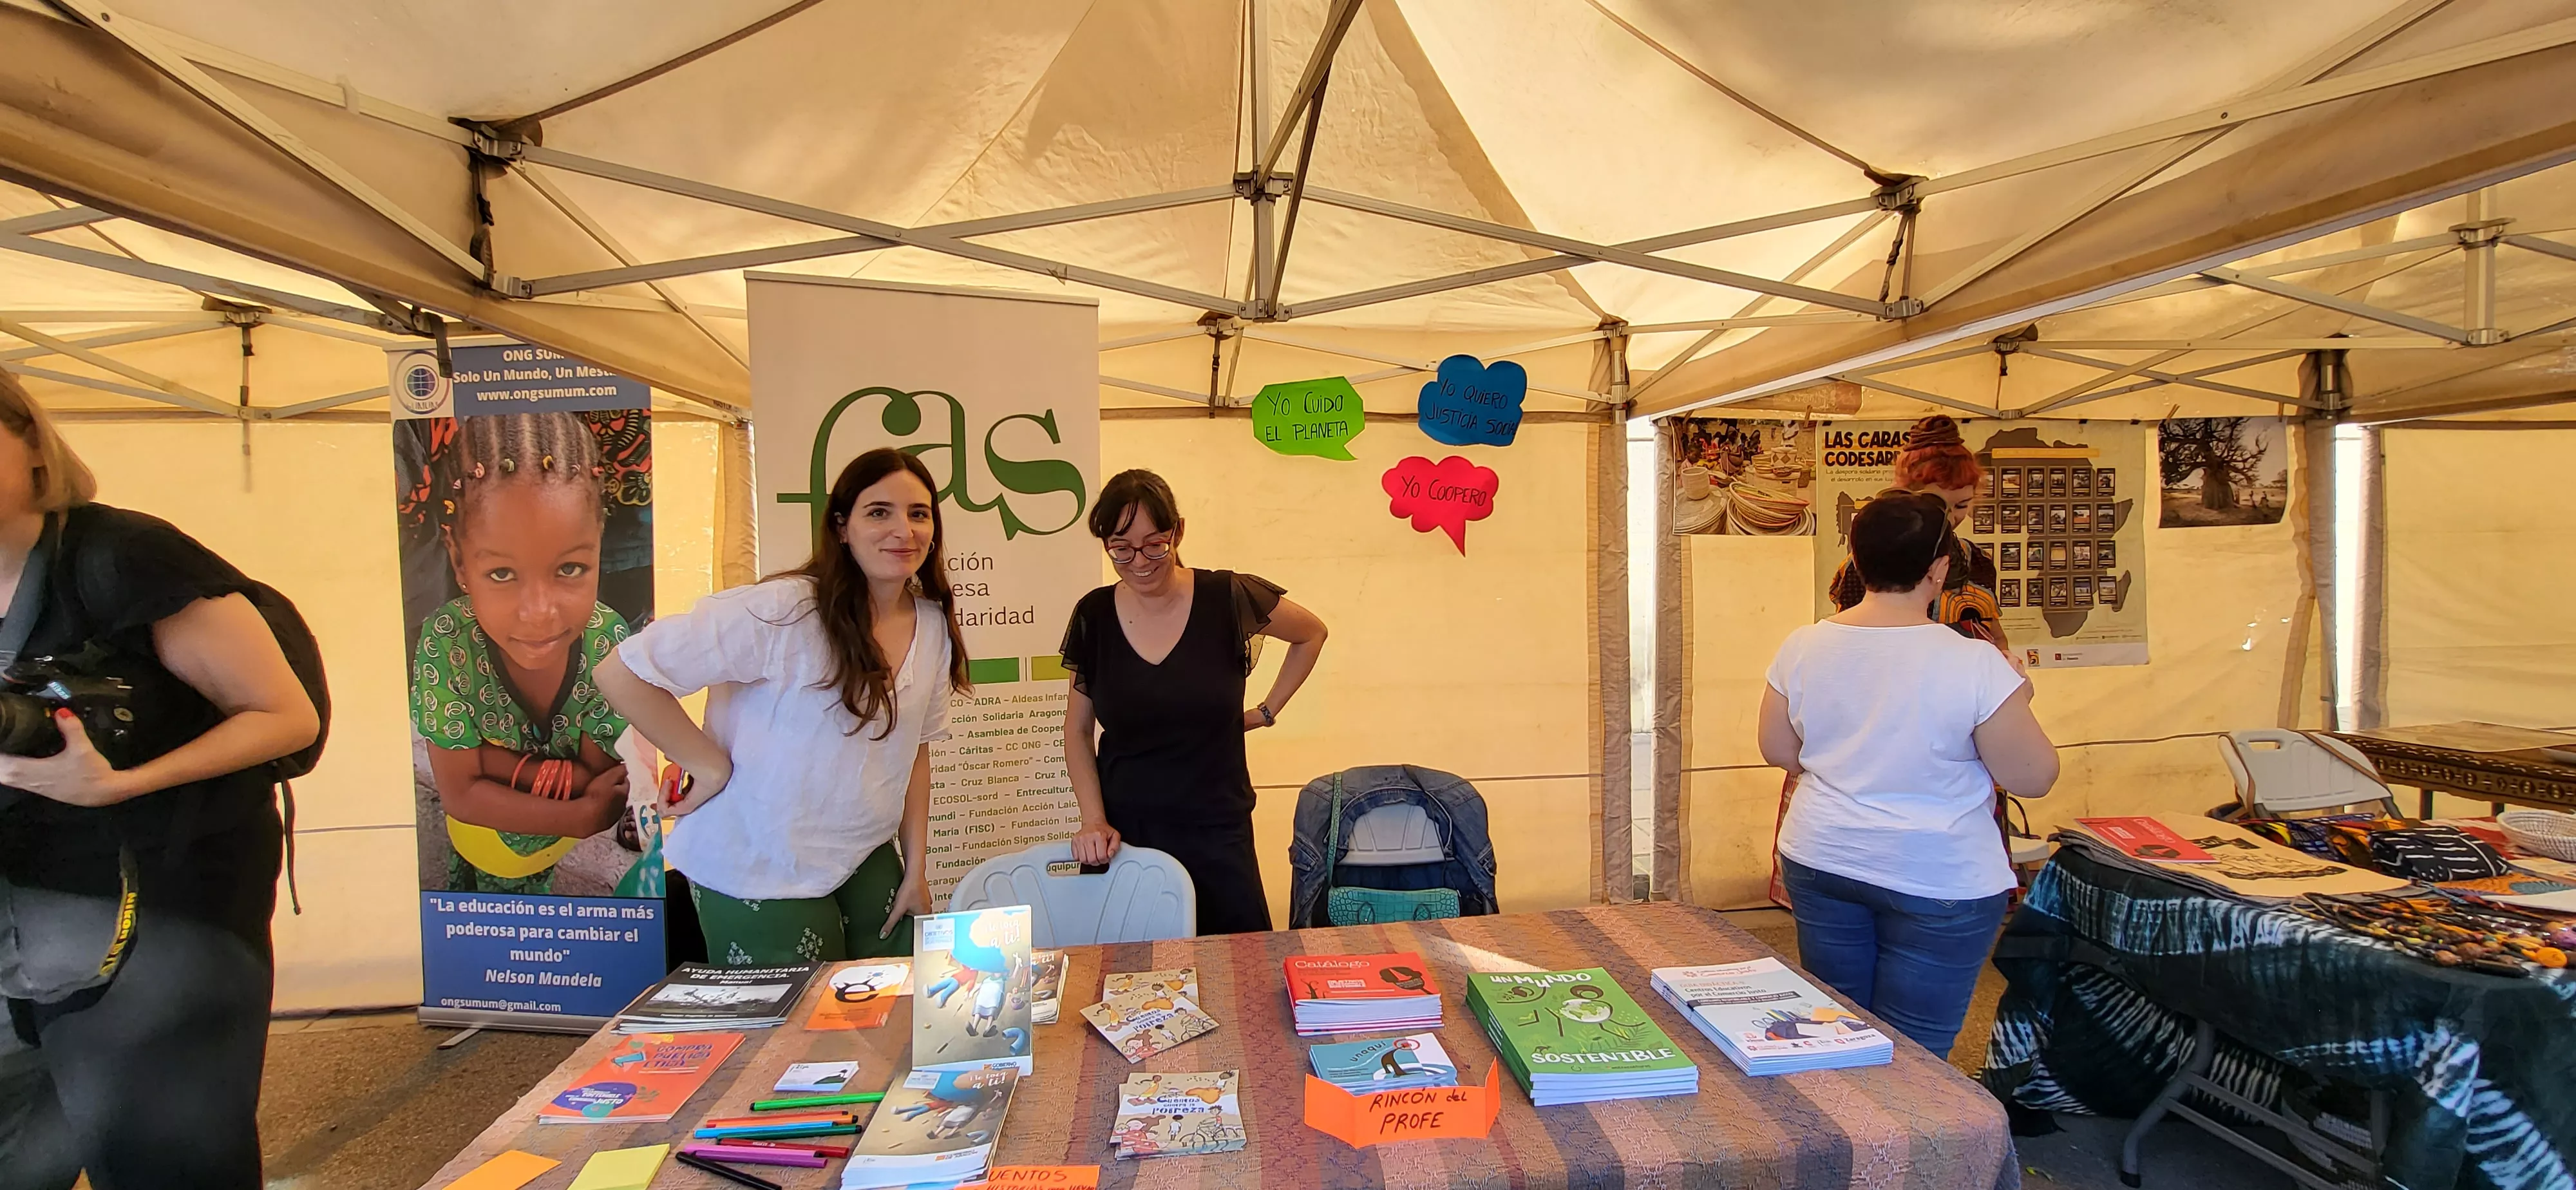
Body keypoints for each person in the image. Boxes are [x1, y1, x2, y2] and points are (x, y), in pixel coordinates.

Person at [0, 372, 321, 1190]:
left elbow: (284, 716)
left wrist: (122, 783)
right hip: (22, 925)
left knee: (166, 1167)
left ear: (32, 443)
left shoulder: (125, 557)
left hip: (161, 930)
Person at [596, 448, 966, 963]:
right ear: (842, 527)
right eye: (879, 512)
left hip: (865, 857)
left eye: (918, 513)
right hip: (756, 860)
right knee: (796, 1016)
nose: (903, 530)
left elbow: (915, 752)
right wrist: (709, 765)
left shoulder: (932, 625)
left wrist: (916, 869)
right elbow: (620, 672)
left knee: (896, 1002)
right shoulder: (782, 610)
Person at [1757, 491, 2058, 1059]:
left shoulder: (1803, 644)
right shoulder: (1976, 662)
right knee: (1917, 1057)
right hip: (1938, 872)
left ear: (1855, 558)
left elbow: (1778, 749)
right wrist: (2019, 696)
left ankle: (1844, 1117)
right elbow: (2032, 775)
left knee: (1838, 1031)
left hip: (1824, 854)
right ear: (1940, 569)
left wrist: (1850, 760)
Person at [1060, 469, 1327, 935]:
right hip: (1128, 836)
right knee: (1132, 968)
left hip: (1217, 830)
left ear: (1178, 532)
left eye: (1154, 545)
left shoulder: (1226, 597)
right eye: (1121, 549)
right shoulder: (1094, 615)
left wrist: (1267, 711)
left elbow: (1311, 634)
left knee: (1240, 965)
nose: (1139, 562)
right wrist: (1094, 820)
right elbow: (1078, 731)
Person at [410, 412, 638, 895]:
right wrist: (579, 815)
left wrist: (489, 764)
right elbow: (460, 796)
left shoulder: (606, 640)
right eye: (502, 574)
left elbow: (601, 778)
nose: (539, 613)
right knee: (467, 899)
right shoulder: (448, 640)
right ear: (459, 562)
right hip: (476, 835)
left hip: (543, 851)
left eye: (570, 568)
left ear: (600, 549)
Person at [1825, 415, 2005, 649]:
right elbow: (1851, 640)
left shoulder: (1978, 561)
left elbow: (1994, 634)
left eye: (1962, 506)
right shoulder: (1867, 564)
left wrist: (2002, 659)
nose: (1951, 518)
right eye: (1937, 506)